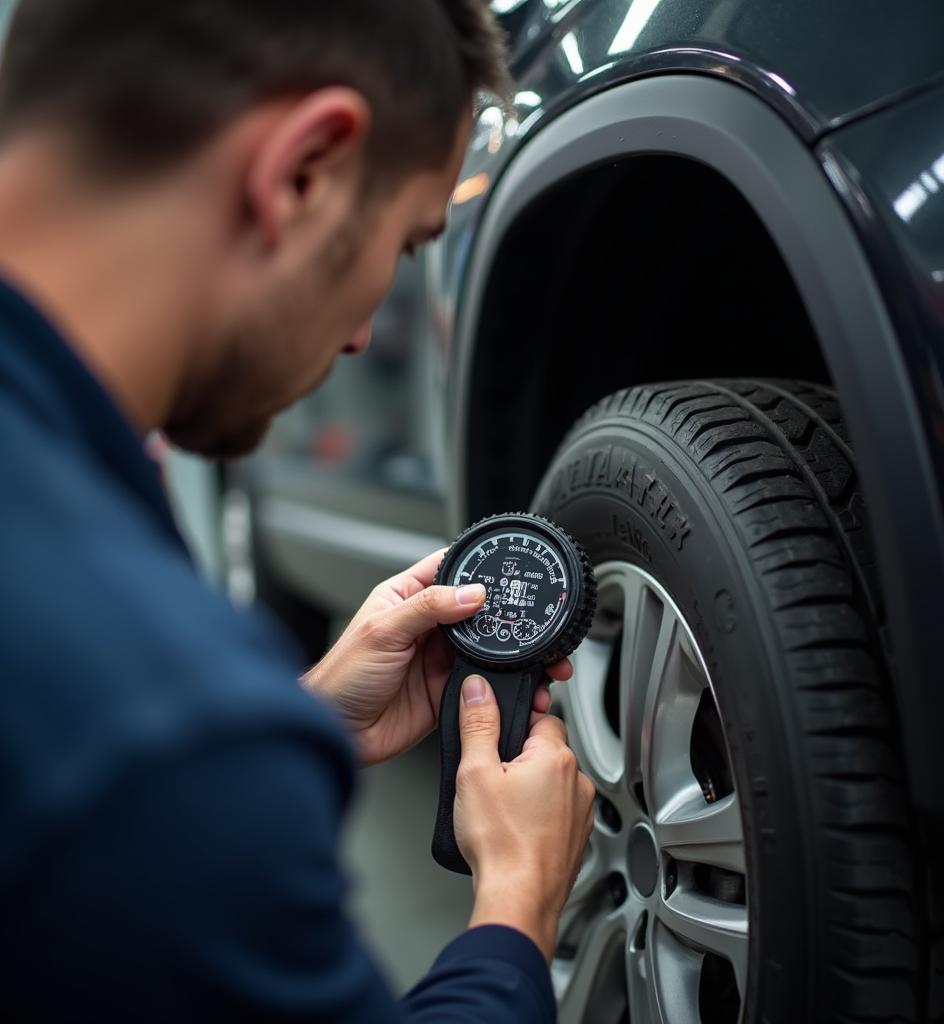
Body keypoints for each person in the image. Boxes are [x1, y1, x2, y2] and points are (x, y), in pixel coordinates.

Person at [0, 1, 596, 1020]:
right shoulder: (163, 721)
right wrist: (516, 906)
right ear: (305, 172)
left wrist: (304, 711)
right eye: (406, 244)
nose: (367, 335)